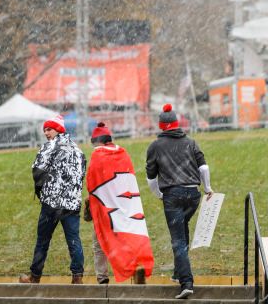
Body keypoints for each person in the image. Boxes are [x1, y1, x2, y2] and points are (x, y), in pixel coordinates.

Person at [146, 104, 213, 299]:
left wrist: (159, 194)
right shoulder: (191, 142)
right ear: (177, 124)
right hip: (193, 195)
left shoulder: (155, 146)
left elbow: (151, 178)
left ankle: (187, 282)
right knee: (182, 229)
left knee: (178, 240)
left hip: (172, 196)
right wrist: (207, 188)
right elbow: (204, 168)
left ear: (161, 126)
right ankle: (178, 272)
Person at [19, 114, 86, 284]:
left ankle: (35, 277)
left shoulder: (50, 146)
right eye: (45, 130)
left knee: (43, 240)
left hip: (52, 203)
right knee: (73, 240)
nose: (46, 133)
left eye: (49, 129)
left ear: (58, 129)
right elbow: (81, 174)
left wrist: (41, 191)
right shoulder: (78, 150)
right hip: (71, 204)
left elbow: (37, 170)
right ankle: (77, 277)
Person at [86, 122, 154, 284]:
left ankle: (102, 277)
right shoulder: (123, 153)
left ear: (97, 141)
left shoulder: (97, 156)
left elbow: (92, 184)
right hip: (125, 205)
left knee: (100, 241)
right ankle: (136, 265)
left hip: (105, 208)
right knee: (126, 238)